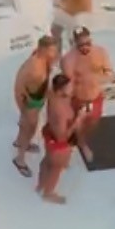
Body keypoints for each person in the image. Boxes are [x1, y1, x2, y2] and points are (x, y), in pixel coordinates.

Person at [62, 25, 114, 165]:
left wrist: (98, 78)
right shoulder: (69, 59)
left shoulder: (101, 52)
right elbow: (68, 84)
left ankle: (81, 141)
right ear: (74, 43)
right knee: (74, 124)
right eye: (81, 45)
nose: (85, 47)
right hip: (77, 100)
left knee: (92, 123)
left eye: (87, 43)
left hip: (95, 97)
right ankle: (74, 145)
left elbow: (110, 73)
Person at [13, 36, 57, 177]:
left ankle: (19, 142)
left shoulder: (44, 59)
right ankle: (19, 159)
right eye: (52, 50)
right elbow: (18, 87)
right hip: (30, 102)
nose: (54, 53)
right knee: (29, 129)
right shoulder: (32, 66)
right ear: (43, 49)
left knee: (27, 126)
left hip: (38, 98)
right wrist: (23, 109)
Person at [37, 73, 77, 205]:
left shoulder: (52, 94)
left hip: (49, 133)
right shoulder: (61, 112)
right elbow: (62, 137)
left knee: (47, 160)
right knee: (56, 167)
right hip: (58, 141)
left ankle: (40, 185)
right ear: (60, 91)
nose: (72, 89)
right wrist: (77, 122)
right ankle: (48, 193)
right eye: (69, 87)